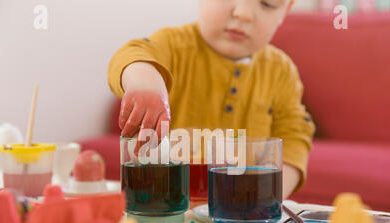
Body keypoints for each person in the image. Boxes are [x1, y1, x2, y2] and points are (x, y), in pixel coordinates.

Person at [108, 0, 315, 199]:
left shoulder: (281, 72)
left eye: (267, 3)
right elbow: (133, 54)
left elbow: (294, 136)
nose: (243, 13)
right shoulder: (172, 45)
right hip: (166, 205)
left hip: (239, 214)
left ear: (285, 11)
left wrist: (269, 195)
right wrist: (146, 83)